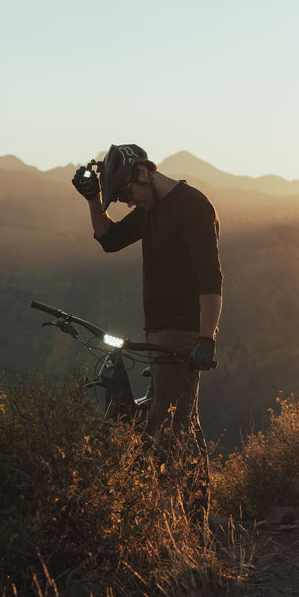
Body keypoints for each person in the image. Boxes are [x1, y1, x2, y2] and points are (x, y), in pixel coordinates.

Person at [72, 144, 221, 508]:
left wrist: (206, 338)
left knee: (167, 428)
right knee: (182, 419)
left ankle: (173, 519)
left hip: (181, 333)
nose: (125, 201)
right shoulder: (151, 209)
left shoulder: (192, 206)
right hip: (157, 331)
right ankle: (198, 514)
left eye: (124, 193)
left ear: (143, 173)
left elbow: (211, 278)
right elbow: (110, 240)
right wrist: (93, 199)